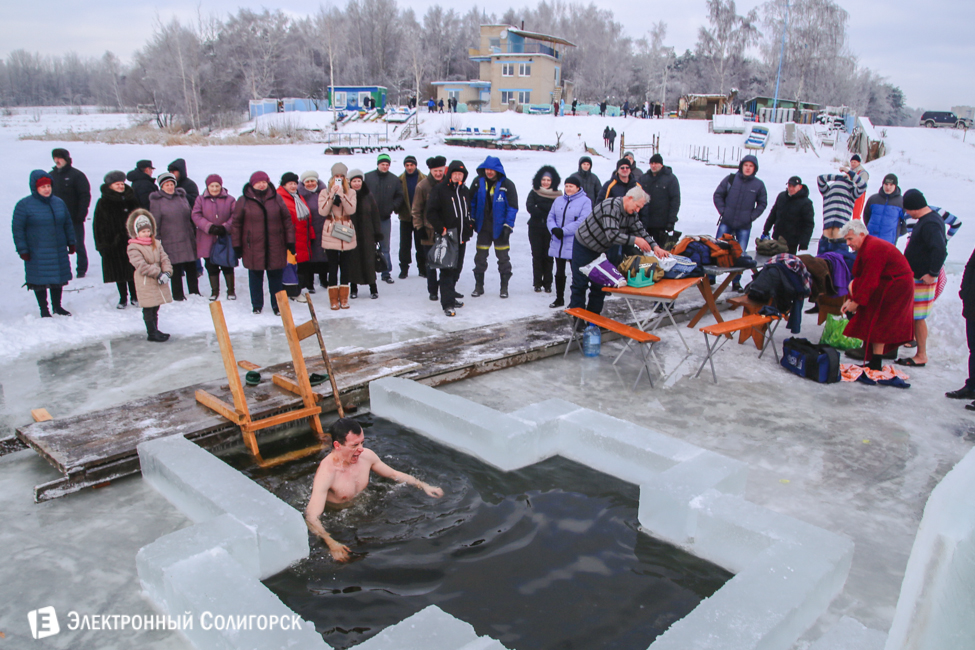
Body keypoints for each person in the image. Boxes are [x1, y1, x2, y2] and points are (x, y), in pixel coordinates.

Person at [304, 418, 444, 562]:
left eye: (362, 443)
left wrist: (423, 485)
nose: (361, 449)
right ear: (337, 445)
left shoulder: (366, 456)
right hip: (338, 518)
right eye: (354, 445)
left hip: (363, 508)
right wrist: (331, 543)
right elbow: (311, 516)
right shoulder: (327, 473)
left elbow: (393, 474)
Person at [569, 187, 669, 316]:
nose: (638, 210)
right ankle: (578, 319)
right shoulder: (610, 206)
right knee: (580, 284)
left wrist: (655, 246)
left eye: (640, 208)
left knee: (600, 285)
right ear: (630, 198)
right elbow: (612, 235)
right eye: (637, 206)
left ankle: (593, 319)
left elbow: (640, 231)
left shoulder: (631, 213)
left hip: (601, 250)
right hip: (584, 246)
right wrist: (635, 240)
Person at [839, 220, 914, 371]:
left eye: (850, 239)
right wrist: (851, 299)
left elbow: (870, 280)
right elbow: (862, 278)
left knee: (879, 320)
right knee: (876, 319)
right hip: (888, 283)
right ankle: (875, 359)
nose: (848, 244)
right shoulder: (868, 246)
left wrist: (856, 303)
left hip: (896, 286)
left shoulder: (873, 248)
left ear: (861, 235)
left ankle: (876, 360)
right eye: (846, 240)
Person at [12, 170, 76, 317]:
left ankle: (57, 307)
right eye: (43, 187)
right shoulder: (24, 205)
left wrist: (71, 242)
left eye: (48, 186)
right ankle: (44, 309)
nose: (47, 189)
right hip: (37, 250)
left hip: (58, 248)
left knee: (58, 277)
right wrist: (23, 249)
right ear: (35, 188)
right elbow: (18, 230)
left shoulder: (59, 203)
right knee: (39, 279)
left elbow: (67, 224)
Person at [232, 171, 295, 315]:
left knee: (276, 278)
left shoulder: (276, 198)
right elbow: (236, 224)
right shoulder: (243, 200)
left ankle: (277, 306)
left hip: (276, 244)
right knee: (255, 277)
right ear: (252, 184)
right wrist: (237, 245)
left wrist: (290, 241)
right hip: (253, 246)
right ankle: (257, 305)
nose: (261, 185)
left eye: (264, 182)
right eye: (258, 182)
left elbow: (287, 220)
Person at [897, 189, 948, 367]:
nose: (907, 213)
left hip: (922, 278)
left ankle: (921, 355)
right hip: (916, 276)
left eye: (908, 209)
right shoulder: (928, 219)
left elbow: (940, 249)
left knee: (919, 317)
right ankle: (916, 348)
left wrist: (932, 273)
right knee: (915, 315)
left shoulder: (930, 223)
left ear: (915, 207)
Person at [426, 160, 473, 317]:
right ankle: (448, 304)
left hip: (462, 237)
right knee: (447, 270)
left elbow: (468, 211)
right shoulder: (440, 190)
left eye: (460, 174)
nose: (458, 176)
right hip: (447, 237)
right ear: (450, 175)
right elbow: (431, 212)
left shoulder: (464, 191)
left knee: (457, 269)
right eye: (455, 174)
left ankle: (450, 295)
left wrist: (470, 225)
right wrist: (441, 229)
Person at [713, 154, 768, 290]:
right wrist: (723, 211)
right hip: (727, 221)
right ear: (741, 166)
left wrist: (751, 217)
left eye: (751, 166)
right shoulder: (730, 179)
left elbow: (762, 203)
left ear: (754, 169)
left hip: (744, 225)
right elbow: (718, 195)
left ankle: (736, 282)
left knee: (740, 254)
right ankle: (710, 277)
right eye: (746, 165)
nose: (748, 168)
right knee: (716, 249)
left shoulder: (759, 185)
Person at [469, 156, 519, 299]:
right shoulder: (477, 182)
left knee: (503, 258)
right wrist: (472, 220)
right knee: (480, 257)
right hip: (483, 227)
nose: (489, 172)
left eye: (492, 169)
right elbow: (471, 202)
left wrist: (508, 226)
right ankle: (479, 286)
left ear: (498, 170)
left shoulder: (508, 185)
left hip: (500, 229)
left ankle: (504, 288)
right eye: (487, 169)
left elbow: (512, 207)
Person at [93, 170, 140, 309]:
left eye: (122, 184)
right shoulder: (103, 202)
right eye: (117, 184)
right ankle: (123, 297)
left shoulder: (132, 200)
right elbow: (98, 225)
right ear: (110, 186)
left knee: (133, 269)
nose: (120, 186)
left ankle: (135, 296)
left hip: (132, 241)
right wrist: (102, 244)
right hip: (114, 243)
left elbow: (141, 218)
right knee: (118, 271)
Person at [150, 171, 199, 301]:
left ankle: (194, 291)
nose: (170, 187)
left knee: (191, 265)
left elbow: (190, 214)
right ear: (162, 186)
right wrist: (156, 240)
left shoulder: (181, 196)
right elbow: (155, 223)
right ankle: (178, 294)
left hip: (187, 236)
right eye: (166, 184)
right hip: (170, 238)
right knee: (175, 267)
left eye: (171, 184)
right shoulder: (157, 201)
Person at [126, 209, 173, 342]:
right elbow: (141, 265)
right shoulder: (133, 247)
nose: (146, 234)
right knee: (148, 307)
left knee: (156, 305)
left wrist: (167, 272)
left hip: (158, 278)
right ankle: (151, 332)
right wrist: (158, 273)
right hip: (145, 280)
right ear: (137, 232)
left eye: (148, 231)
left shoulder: (156, 243)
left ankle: (155, 330)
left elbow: (164, 258)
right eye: (143, 231)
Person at [191, 174, 236, 301]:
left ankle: (231, 290)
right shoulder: (200, 199)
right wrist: (209, 227)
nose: (215, 188)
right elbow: (196, 215)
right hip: (207, 237)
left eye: (217, 186)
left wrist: (225, 227)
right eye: (212, 186)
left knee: (227, 264)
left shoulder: (230, 199)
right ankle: (214, 291)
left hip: (224, 237)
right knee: (211, 265)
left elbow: (235, 215)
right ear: (207, 186)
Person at [546, 174, 589, 308]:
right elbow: (550, 217)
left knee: (576, 273)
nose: (568, 188)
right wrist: (554, 229)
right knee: (559, 271)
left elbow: (582, 221)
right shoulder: (558, 200)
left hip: (574, 242)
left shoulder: (585, 201)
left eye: (571, 186)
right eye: (566, 186)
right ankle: (559, 298)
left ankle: (575, 301)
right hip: (558, 241)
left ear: (577, 188)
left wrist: (564, 231)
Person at [318, 163, 357, 309]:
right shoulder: (324, 192)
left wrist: (342, 195)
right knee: (332, 266)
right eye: (336, 176)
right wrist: (331, 196)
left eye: (341, 176)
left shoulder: (351, 192)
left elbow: (351, 210)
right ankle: (333, 299)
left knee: (345, 266)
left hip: (346, 228)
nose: (339, 179)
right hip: (331, 229)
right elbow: (322, 212)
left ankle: (344, 297)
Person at [412, 156, 451, 302]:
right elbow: (416, 210)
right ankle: (433, 290)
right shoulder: (422, 186)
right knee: (431, 264)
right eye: (435, 171)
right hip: (428, 231)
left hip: (446, 231)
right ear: (431, 171)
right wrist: (419, 227)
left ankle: (446, 288)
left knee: (447, 263)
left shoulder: (449, 183)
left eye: (440, 170)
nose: (438, 174)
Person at [50, 148, 91, 278]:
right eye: (55, 158)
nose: (57, 160)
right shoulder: (51, 175)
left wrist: (81, 214)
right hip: (56, 217)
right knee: (57, 244)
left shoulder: (77, 175)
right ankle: (61, 268)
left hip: (74, 217)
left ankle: (81, 269)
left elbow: (84, 195)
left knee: (78, 244)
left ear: (66, 159)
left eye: (60, 158)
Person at [364, 154, 403, 284]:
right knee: (368, 246)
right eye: (382, 164)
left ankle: (386, 273)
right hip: (369, 219)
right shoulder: (368, 177)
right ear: (378, 164)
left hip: (385, 218)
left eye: (387, 165)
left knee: (385, 247)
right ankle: (368, 272)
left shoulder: (394, 180)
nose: (385, 167)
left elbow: (399, 196)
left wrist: (392, 206)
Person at [816, 163, 867, 255]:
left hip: (839, 241)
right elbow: (820, 178)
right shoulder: (828, 191)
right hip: (825, 240)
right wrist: (839, 177)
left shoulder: (851, 191)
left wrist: (849, 172)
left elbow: (863, 185)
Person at [347, 169, 381, 300]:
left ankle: (373, 288)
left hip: (368, 234)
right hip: (351, 234)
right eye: (354, 181)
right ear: (350, 183)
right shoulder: (346, 195)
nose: (357, 183)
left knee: (369, 261)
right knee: (353, 261)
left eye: (359, 181)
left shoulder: (368, 195)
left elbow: (375, 215)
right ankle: (353, 288)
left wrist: (377, 233)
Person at [526, 165, 561, 293]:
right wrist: (545, 210)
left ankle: (548, 283)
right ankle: (537, 283)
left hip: (550, 229)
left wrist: (540, 206)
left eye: (548, 180)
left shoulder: (558, 195)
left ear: (553, 181)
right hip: (535, 228)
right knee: (537, 256)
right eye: (543, 180)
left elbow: (557, 211)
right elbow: (530, 207)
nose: (545, 182)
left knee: (548, 256)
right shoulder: (534, 192)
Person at [761, 175, 815, 255]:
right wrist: (766, 230)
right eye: (789, 186)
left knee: (788, 261)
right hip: (777, 237)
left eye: (794, 186)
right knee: (774, 260)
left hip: (792, 242)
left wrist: (804, 242)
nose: (791, 188)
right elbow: (773, 214)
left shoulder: (806, 203)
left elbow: (809, 224)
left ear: (800, 187)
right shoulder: (781, 197)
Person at [948, 247, 975, 403]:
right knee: (974, 348)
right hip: (972, 303)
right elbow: (970, 267)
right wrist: (964, 291)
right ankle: (972, 386)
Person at [637, 153, 681, 247]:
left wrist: (671, 220)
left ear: (661, 164)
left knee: (661, 250)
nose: (653, 166)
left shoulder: (670, 179)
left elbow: (675, 201)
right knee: (645, 249)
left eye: (656, 163)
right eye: (651, 163)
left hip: (662, 223)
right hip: (646, 222)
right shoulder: (644, 178)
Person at [296, 170, 329, 295]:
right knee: (310, 256)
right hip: (309, 229)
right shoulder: (300, 195)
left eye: (313, 181)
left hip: (324, 228)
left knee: (324, 255)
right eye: (307, 181)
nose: (310, 184)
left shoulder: (324, 192)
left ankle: (324, 279)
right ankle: (309, 282)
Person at [397, 155, 426, 279]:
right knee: (404, 245)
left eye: (411, 165)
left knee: (421, 244)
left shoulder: (424, 179)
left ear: (416, 165)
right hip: (405, 217)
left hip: (420, 218)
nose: (409, 167)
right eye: (407, 165)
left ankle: (422, 268)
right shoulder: (399, 180)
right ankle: (404, 269)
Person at [863, 174, 906, 244]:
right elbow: (866, 215)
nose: (888, 187)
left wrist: (896, 234)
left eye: (891, 185)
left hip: (888, 241)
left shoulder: (901, 201)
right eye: (886, 184)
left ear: (895, 186)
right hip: (871, 238)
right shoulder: (873, 199)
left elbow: (906, 221)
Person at [849, 154, 870, 220]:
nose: (853, 164)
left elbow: (863, 185)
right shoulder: (850, 172)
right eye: (852, 162)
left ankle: (856, 225)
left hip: (859, 194)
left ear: (859, 163)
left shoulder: (863, 172)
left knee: (856, 214)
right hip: (850, 193)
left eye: (855, 162)